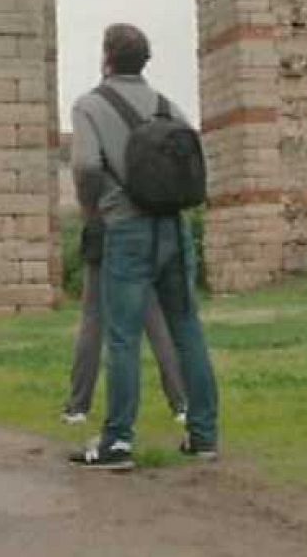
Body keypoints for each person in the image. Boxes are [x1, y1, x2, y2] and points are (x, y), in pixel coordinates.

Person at [66, 24, 220, 470]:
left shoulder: (90, 106)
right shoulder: (166, 106)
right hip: (173, 228)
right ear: (143, 60)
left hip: (126, 228)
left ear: (106, 56)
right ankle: (204, 435)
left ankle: (117, 441)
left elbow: (86, 165)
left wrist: (93, 209)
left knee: (123, 336)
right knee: (187, 328)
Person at [61, 215, 188, 425]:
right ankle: (181, 402)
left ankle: (78, 406)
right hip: (141, 237)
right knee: (156, 322)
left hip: (105, 234)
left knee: (93, 321)